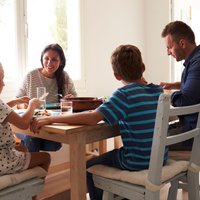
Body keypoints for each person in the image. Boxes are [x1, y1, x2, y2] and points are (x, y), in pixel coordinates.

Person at [30, 44, 164, 200]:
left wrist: (51, 118)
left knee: (88, 167)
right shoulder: (158, 91)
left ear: (117, 76)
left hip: (136, 160)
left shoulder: (124, 94)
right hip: (160, 157)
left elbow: (92, 118)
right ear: (143, 67)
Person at [16, 43, 77, 152]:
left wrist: (70, 99)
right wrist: (27, 105)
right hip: (27, 123)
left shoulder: (65, 77)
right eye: (46, 58)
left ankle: (29, 157)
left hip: (49, 124)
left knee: (53, 145)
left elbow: (75, 99)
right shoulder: (31, 76)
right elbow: (17, 101)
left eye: (54, 59)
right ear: (42, 59)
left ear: (61, 61)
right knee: (33, 140)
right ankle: (33, 164)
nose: (49, 63)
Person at [0, 62, 50, 178]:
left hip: (3, 153)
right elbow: (23, 123)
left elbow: (3, 109)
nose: (4, 83)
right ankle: (33, 193)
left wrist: (15, 101)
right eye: (1, 78)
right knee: (45, 157)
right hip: (3, 162)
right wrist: (32, 105)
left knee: (22, 148)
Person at [160, 20, 200, 150]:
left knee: (149, 142)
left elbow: (184, 100)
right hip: (191, 127)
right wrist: (172, 85)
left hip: (193, 134)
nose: (168, 52)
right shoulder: (195, 60)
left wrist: (167, 95)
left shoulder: (197, 64)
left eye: (169, 47)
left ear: (182, 43)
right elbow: (194, 85)